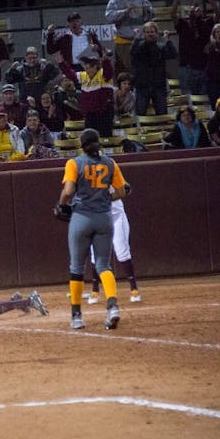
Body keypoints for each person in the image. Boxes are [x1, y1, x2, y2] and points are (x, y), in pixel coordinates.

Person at [56, 128, 126, 330]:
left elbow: (68, 191)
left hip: (81, 217)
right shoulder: (110, 163)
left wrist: (61, 204)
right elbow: (121, 191)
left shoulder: (74, 163)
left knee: (76, 267)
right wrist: (104, 197)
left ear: (82, 144)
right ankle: (112, 306)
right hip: (104, 218)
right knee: (104, 265)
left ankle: (76, 316)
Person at [87, 182, 141, 305]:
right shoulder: (84, 174)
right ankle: (95, 290)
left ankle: (134, 289)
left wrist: (108, 195)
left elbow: (127, 188)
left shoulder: (109, 168)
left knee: (122, 252)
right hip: (97, 219)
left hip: (116, 217)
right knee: (96, 255)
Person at [57, 47, 116, 138]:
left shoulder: (103, 75)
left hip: (104, 112)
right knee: (90, 137)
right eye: (86, 67)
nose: (87, 70)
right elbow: (70, 74)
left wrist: (105, 61)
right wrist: (61, 63)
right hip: (90, 114)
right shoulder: (84, 76)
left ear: (96, 67)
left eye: (89, 68)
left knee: (105, 136)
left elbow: (109, 71)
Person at [171, 0, 215, 95]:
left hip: (203, 65)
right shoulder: (184, 24)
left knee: (204, 97)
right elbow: (172, 14)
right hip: (187, 66)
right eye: (193, 7)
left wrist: (211, 0)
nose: (196, 9)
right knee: (187, 98)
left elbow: (218, 15)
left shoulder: (206, 22)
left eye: (198, 8)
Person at [105, 0, 154, 76]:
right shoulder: (114, 1)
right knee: (127, 69)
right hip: (124, 41)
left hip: (140, 40)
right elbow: (109, 17)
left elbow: (151, 13)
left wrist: (147, 11)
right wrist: (124, 12)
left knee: (144, 66)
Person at [130, 21, 178, 116]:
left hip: (158, 86)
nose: (150, 34)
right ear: (144, 34)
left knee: (162, 114)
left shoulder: (161, 46)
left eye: (152, 32)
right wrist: (135, 38)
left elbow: (173, 54)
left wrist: (167, 40)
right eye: (147, 32)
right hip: (142, 87)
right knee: (140, 114)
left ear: (156, 33)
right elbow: (133, 51)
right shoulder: (139, 45)